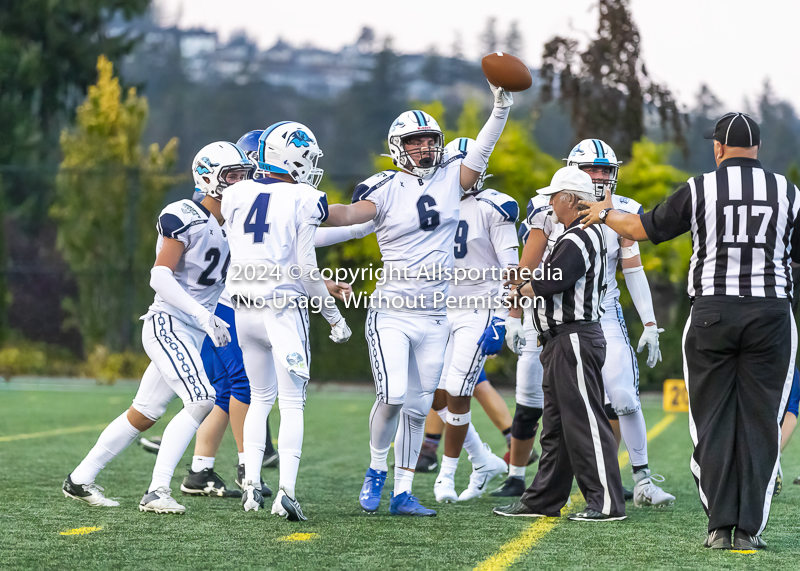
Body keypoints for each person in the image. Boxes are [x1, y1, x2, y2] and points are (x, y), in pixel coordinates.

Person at [580, 112, 800, 549]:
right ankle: (748, 533)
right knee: (762, 424)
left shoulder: (700, 187)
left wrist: (604, 213)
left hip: (711, 315)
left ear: (717, 148)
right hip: (771, 315)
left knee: (711, 421)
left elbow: (641, 229)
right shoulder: (788, 192)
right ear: (756, 148)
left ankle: (719, 528)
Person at [325, 83, 514, 517]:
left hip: (435, 316)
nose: (425, 147)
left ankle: (403, 491)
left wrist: (499, 108)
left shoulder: (452, 177)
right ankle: (376, 468)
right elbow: (353, 217)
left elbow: (481, 152)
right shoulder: (386, 185)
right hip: (392, 310)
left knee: (417, 405)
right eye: (415, 141)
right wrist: (308, 208)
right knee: (391, 396)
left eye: (430, 140)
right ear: (398, 147)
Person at [63, 142, 255, 513]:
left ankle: (80, 479)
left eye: (243, 175)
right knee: (202, 398)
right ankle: (156, 491)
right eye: (232, 175)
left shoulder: (234, 223)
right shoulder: (185, 214)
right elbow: (159, 277)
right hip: (169, 323)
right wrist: (203, 316)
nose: (240, 183)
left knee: (144, 412)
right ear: (208, 177)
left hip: (192, 329)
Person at [502, 139, 675, 506]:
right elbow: (528, 265)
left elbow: (632, 267)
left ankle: (640, 479)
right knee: (538, 400)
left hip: (597, 313)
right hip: (548, 313)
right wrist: (513, 315)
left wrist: (649, 323)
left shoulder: (621, 211)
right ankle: (530, 483)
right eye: (590, 169)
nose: (598, 176)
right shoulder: (547, 207)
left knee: (623, 396)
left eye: (604, 169)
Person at [224, 121, 352, 522]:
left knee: (260, 400)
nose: (312, 165)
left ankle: (250, 485)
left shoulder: (236, 193)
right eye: (308, 157)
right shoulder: (304, 197)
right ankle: (287, 493)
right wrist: (334, 317)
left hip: (243, 309)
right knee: (292, 402)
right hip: (282, 310)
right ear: (290, 157)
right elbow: (306, 269)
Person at [493, 166, 626, 522]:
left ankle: (608, 503)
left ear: (569, 198)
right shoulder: (580, 233)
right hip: (561, 341)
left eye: (554, 197)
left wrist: (517, 288)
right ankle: (544, 499)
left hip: (574, 339)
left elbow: (554, 280)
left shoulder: (578, 236)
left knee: (584, 422)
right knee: (557, 427)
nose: (550, 204)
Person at [428, 137, 516, 503]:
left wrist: (505, 317)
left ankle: (446, 476)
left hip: (480, 309)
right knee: (431, 393)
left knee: (459, 389)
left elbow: (512, 269)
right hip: (439, 309)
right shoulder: (431, 205)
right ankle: (482, 459)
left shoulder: (494, 207)